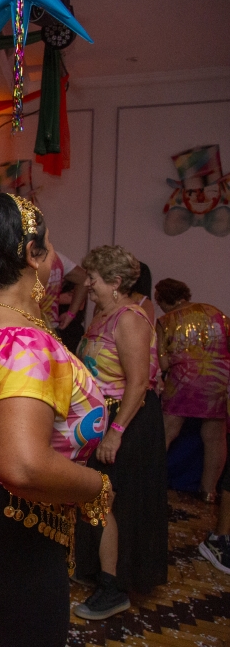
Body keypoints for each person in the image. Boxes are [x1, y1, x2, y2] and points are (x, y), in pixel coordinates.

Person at [0, 193, 110, 647]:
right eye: (49, 246)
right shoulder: (21, 342)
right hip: (11, 525)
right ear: (32, 254)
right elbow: (23, 465)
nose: (54, 256)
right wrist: (96, 486)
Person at [73, 245, 168, 620]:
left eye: (93, 278)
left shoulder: (130, 319)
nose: (87, 284)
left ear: (114, 282)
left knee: (108, 501)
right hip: (103, 418)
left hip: (128, 420)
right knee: (97, 498)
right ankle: (98, 571)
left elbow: (139, 383)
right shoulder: (103, 314)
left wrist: (115, 432)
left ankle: (113, 588)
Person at [154, 278, 229, 501]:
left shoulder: (166, 320)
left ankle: (152, 488)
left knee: (167, 433)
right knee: (215, 438)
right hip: (217, 378)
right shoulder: (216, 313)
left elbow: (163, 363)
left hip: (184, 380)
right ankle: (209, 492)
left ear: (163, 301)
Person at [44, 250, 88, 333]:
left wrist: (71, 314)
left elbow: (83, 280)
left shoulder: (56, 258)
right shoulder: (56, 257)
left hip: (43, 325)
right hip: (50, 326)